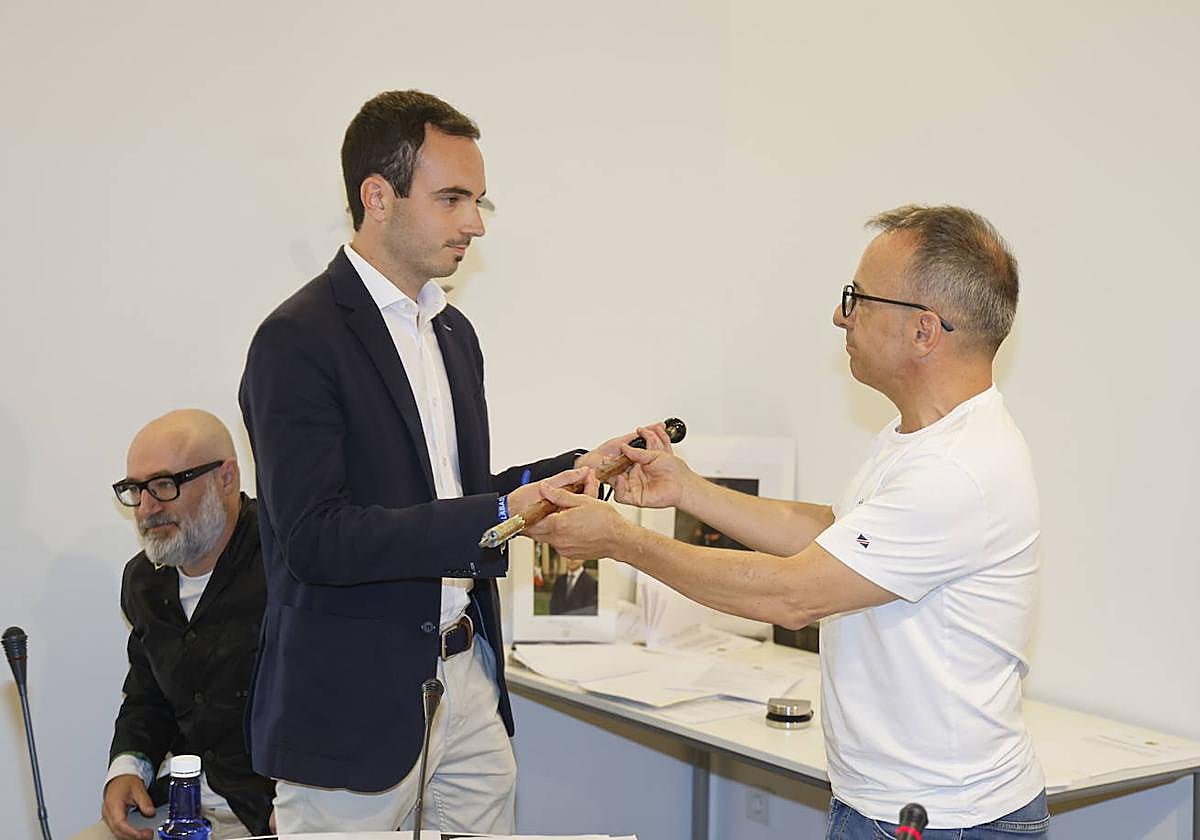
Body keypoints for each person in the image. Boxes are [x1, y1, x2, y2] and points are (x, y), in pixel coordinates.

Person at [528, 206, 1050, 838]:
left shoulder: (961, 468)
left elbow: (793, 594)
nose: (840, 316)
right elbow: (834, 536)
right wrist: (689, 491)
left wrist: (620, 539)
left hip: (945, 820)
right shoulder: (920, 437)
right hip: (885, 804)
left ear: (924, 332)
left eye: (858, 298)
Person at [238, 89, 640, 835]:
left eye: (480, 200)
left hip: (468, 680)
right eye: (453, 198)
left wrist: (575, 468)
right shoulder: (296, 340)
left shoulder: (450, 331)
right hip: (352, 706)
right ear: (377, 196)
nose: (475, 224)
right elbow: (317, 538)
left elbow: (453, 493)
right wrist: (496, 514)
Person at [76, 410, 273, 840]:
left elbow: (331, 693)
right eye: (135, 490)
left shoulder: (288, 562)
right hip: (181, 805)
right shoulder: (144, 580)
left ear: (226, 477)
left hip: (274, 811)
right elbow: (148, 694)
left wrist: (308, 799)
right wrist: (128, 768)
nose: (147, 507)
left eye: (165, 484)